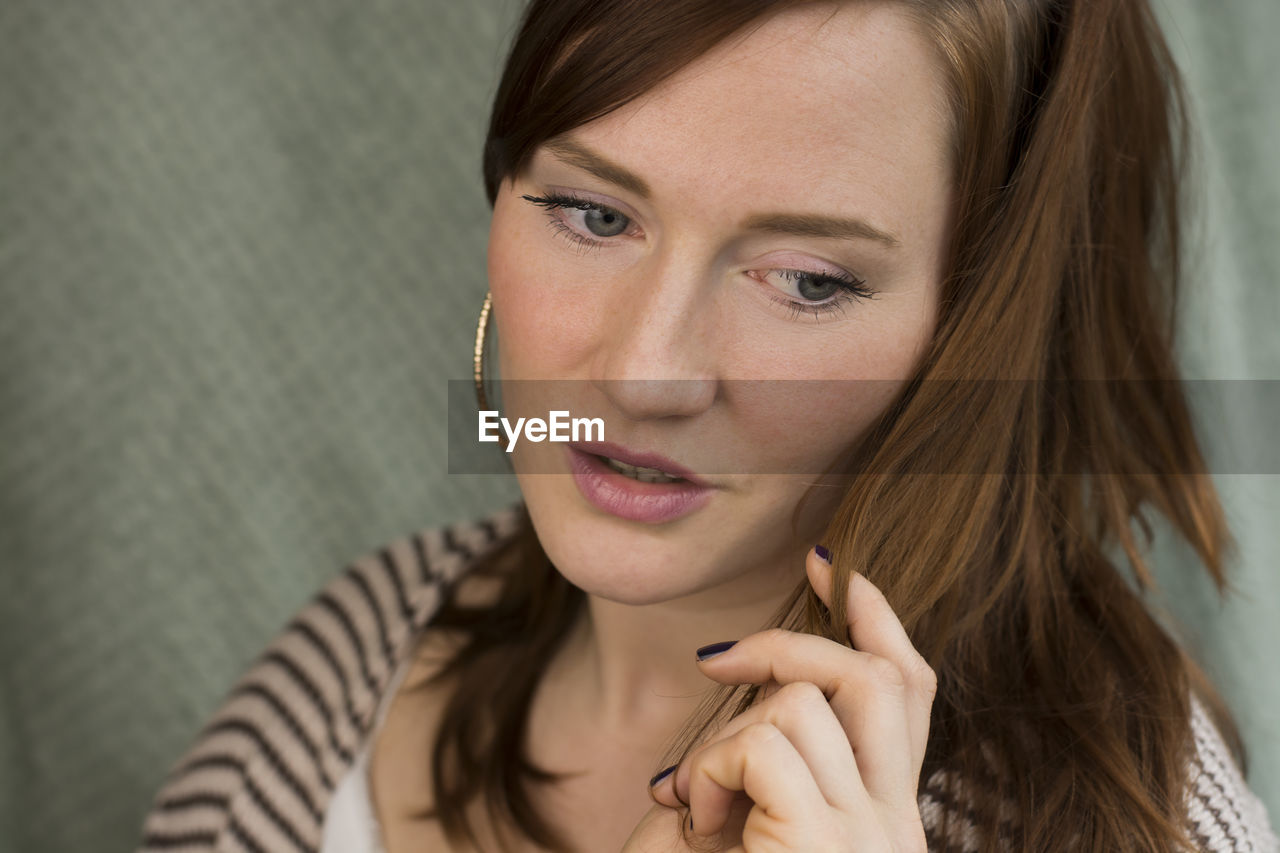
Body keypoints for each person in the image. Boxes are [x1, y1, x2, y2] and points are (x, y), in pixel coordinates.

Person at [138, 0, 1279, 851]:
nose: (643, 375)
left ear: (977, 329)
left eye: (806, 280)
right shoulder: (360, 658)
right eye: (591, 213)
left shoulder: (1149, 818)